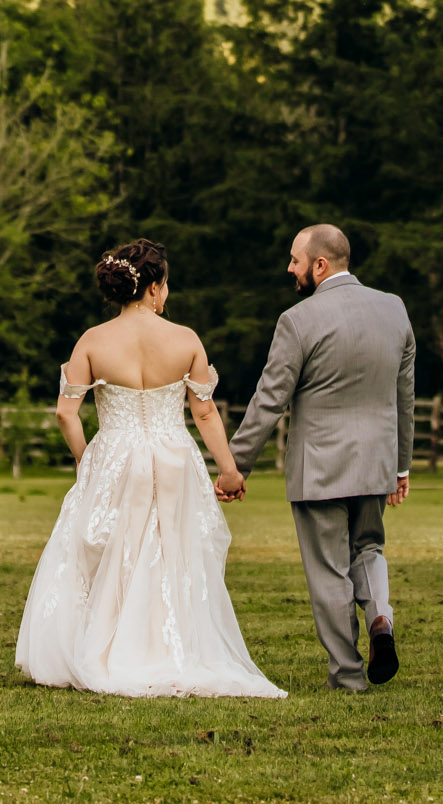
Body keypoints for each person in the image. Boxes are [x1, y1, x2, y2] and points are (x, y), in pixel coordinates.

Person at [15, 237, 285, 698]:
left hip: (116, 455)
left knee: (110, 550)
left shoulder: (93, 341)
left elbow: (66, 412)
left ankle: (103, 647)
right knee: (171, 551)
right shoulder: (185, 340)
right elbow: (204, 413)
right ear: (155, 287)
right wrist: (229, 471)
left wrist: (86, 459)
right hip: (173, 456)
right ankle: (165, 648)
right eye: (166, 285)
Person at [227, 224, 415, 693]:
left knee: (329, 568)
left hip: (320, 469)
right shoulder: (394, 309)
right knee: (368, 548)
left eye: (294, 260)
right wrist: (401, 465)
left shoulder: (298, 321)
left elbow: (269, 400)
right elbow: (404, 395)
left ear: (320, 265)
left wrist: (235, 464)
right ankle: (380, 619)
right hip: (375, 464)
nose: (289, 268)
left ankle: (349, 676)